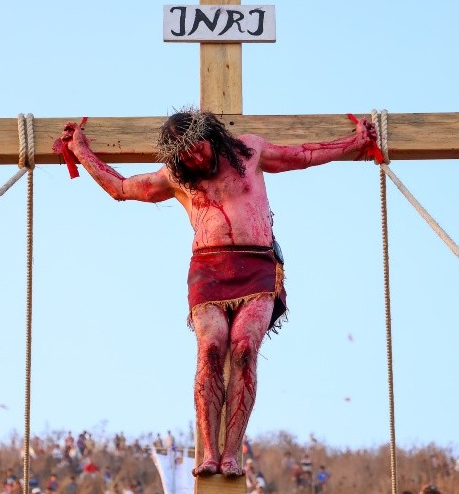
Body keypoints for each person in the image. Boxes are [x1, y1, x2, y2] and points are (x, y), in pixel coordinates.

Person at [59, 108, 379, 478]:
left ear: (209, 135)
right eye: (187, 157)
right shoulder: (177, 177)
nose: (196, 159)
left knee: (243, 349)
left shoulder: (249, 151)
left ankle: (231, 455)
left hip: (257, 265)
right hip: (208, 271)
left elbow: (302, 155)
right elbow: (121, 188)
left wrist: (354, 143)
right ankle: (209, 453)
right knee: (211, 349)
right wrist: (81, 151)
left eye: (199, 148)